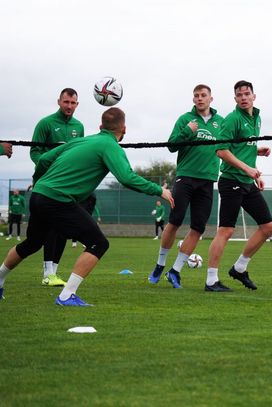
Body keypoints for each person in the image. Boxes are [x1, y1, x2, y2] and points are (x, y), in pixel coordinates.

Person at [0, 107, 174, 305]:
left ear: (100, 126)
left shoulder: (80, 141)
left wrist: (39, 182)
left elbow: (44, 160)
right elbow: (127, 178)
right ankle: (67, 295)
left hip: (39, 194)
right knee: (98, 243)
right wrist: (159, 190)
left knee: (32, 243)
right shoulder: (111, 146)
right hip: (58, 199)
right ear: (124, 129)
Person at [148, 84, 227, 291]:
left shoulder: (221, 122)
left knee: (198, 228)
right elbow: (171, 145)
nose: (200, 98)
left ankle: (175, 271)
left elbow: (232, 146)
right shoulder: (185, 119)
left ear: (211, 99)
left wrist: (256, 151)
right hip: (185, 178)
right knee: (175, 221)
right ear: (193, 99)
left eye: (203, 95)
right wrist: (187, 132)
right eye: (196, 96)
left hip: (207, 181)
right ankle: (160, 264)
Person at [206, 80, 272, 291]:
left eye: (247, 94)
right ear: (235, 98)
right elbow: (221, 150)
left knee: (268, 227)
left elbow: (242, 148)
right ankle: (211, 280)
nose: (243, 97)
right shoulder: (233, 119)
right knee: (226, 231)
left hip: (247, 181)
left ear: (254, 96)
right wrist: (247, 169)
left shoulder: (257, 118)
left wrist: (256, 157)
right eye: (239, 95)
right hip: (231, 181)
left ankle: (239, 268)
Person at [29, 88, 84, 287]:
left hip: (67, 186)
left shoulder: (79, 126)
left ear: (77, 104)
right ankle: (46, 272)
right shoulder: (45, 124)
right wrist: (48, 168)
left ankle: (52, 272)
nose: (69, 106)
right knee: (37, 236)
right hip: (46, 185)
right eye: (66, 102)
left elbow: (79, 154)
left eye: (73, 103)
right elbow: (34, 152)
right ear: (59, 102)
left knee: (62, 227)